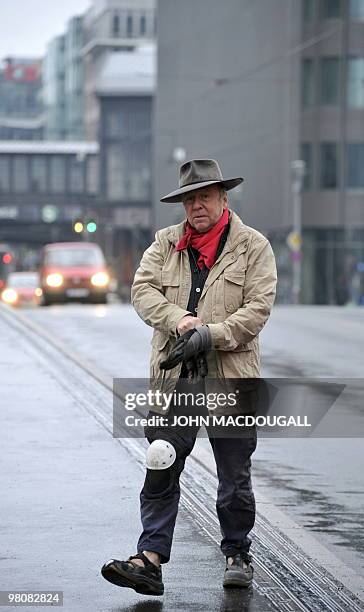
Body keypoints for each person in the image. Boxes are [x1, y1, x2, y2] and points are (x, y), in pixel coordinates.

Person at [101, 159, 277, 596]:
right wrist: (180, 321)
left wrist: (210, 336)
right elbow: (142, 292)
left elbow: (257, 309)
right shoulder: (164, 244)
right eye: (189, 199)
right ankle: (150, 560)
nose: (196, 205)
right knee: (161, 462)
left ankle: (237, 552)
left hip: (230, 377)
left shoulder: (253, 246)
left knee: (234, 477)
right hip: (174, 379)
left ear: (223, 198)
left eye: (204, 196)